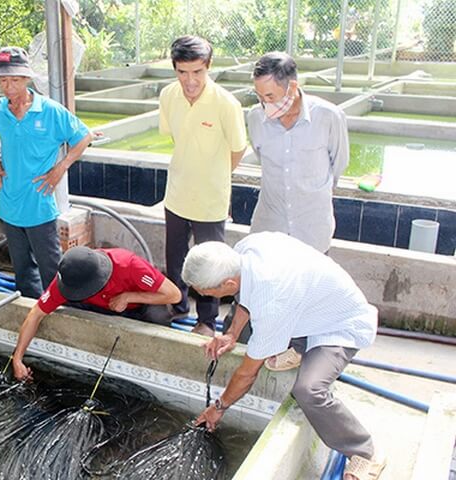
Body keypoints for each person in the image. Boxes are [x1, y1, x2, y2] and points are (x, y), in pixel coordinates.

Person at [182, 234, 386, 480]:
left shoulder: (271, 301)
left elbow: (247, 374)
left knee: (309, 390)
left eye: (205, 292)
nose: (204, 296)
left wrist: (219, 407)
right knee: (268, 335)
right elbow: (245, 298)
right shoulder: (244, 251)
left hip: (339, 324)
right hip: (309, 305)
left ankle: (365, 451)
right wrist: (232, 333)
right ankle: (300, 348)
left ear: (227, 284)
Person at [247, 51, 349, 369]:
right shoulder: (255, 118)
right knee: (267, 284)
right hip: (272, 219)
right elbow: (263, 160)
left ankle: (303, 349)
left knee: (308, 291)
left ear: (292, 86)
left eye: (272, 95)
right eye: (260, 96)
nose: (266, 104)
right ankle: (268, 339)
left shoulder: (328, 117)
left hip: (311, 223)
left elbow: (339, 164)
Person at [0, 46, 92, 299]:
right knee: (22, 270)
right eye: (3, 80)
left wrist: (60, 168)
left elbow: (83, 137)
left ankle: (59, 309)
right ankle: (32, 308)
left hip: (39, 205)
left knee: (51, 268)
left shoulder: (50, 111)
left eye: (15, 80)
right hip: (9, 203)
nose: (8, 87)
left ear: (27, 79)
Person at [159, 36, 248, 338]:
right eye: (182, 72)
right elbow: (176, 138)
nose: (190, 80)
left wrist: (216, 175)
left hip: (211, 199)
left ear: (208, 67)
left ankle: (207, 320)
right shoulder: (168, 96)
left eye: (197, 72)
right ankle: (177, 303)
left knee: (211, 263)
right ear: (175, 70)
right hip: (176, 193)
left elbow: (238, 149)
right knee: (175, 256)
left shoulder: (226, 104)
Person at [12, 246, 182, 381]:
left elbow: (174, 295)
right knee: (68, 308)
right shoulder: (67, 279)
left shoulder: (128, 265)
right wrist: (17, 358)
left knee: (159, 315)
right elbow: (35, 314)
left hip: (137, 307)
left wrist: (129, 296)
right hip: (100, 307)